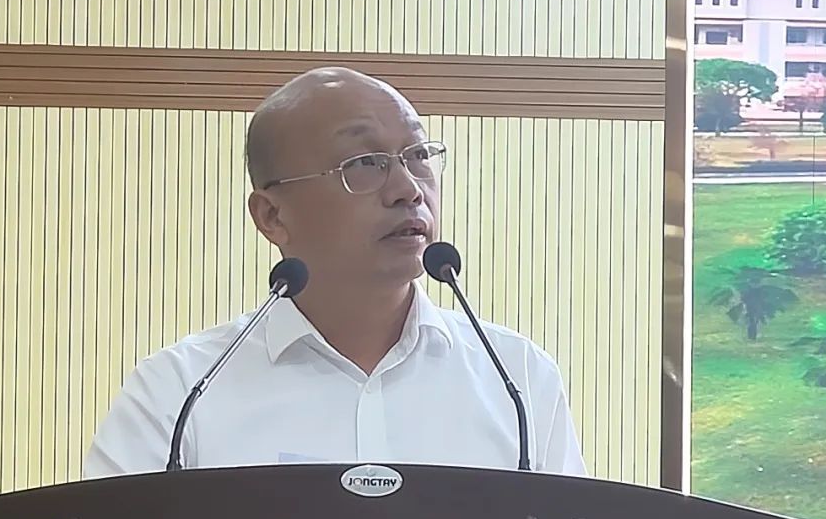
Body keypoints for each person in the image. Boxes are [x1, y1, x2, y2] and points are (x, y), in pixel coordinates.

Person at [83, 67, 585, 477]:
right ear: (272, 216)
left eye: (418, 156)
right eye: (364, 163)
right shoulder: (179, 392)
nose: (409, 189)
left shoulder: (517, 379)